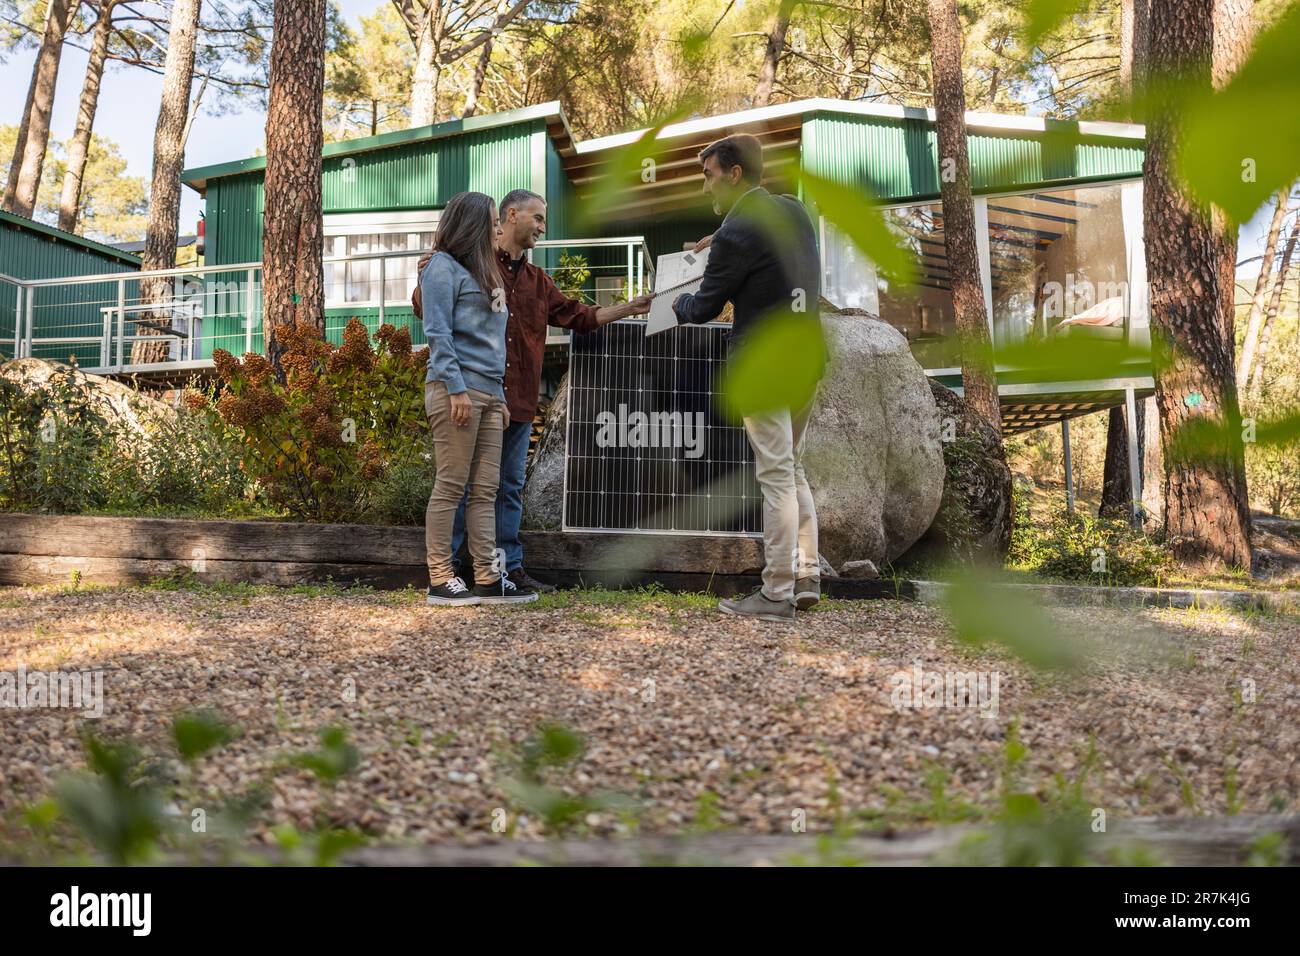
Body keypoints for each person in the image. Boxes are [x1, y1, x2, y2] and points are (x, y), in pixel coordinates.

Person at [414, 189, 653, 595]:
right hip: (464, 390)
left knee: (502, 488)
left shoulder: (537, 281)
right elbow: (431, 316)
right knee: (457, 485)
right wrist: (430, 270)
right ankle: (448, 572)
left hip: (512, 400)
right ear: (510, 216)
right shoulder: (462, 264)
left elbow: (580, 316)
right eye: (538, 218)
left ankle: (503, 571)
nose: (543, 227)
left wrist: (627, 308)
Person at [671, 133, 824, 623]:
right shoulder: (794, 211)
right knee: (793, 468)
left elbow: (703, 308)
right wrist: (717, 239)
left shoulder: (736, 237)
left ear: (734, 175)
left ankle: (775, 593)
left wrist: (673, 299)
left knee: (775, 475)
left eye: (709, 176)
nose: (705, 187)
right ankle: (806, 576)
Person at [420, 191, 537, 606]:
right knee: (452, 484)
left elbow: (495, 344)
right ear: (472, 225)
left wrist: (501, 397)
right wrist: (455, 387)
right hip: (457, 391)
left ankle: (488, 577)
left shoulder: (486, 275)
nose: (496, 229)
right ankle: (440, 577)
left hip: (490, 395)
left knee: (486, 490)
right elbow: (437, 333)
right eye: (490, 222)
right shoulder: (441, 268)